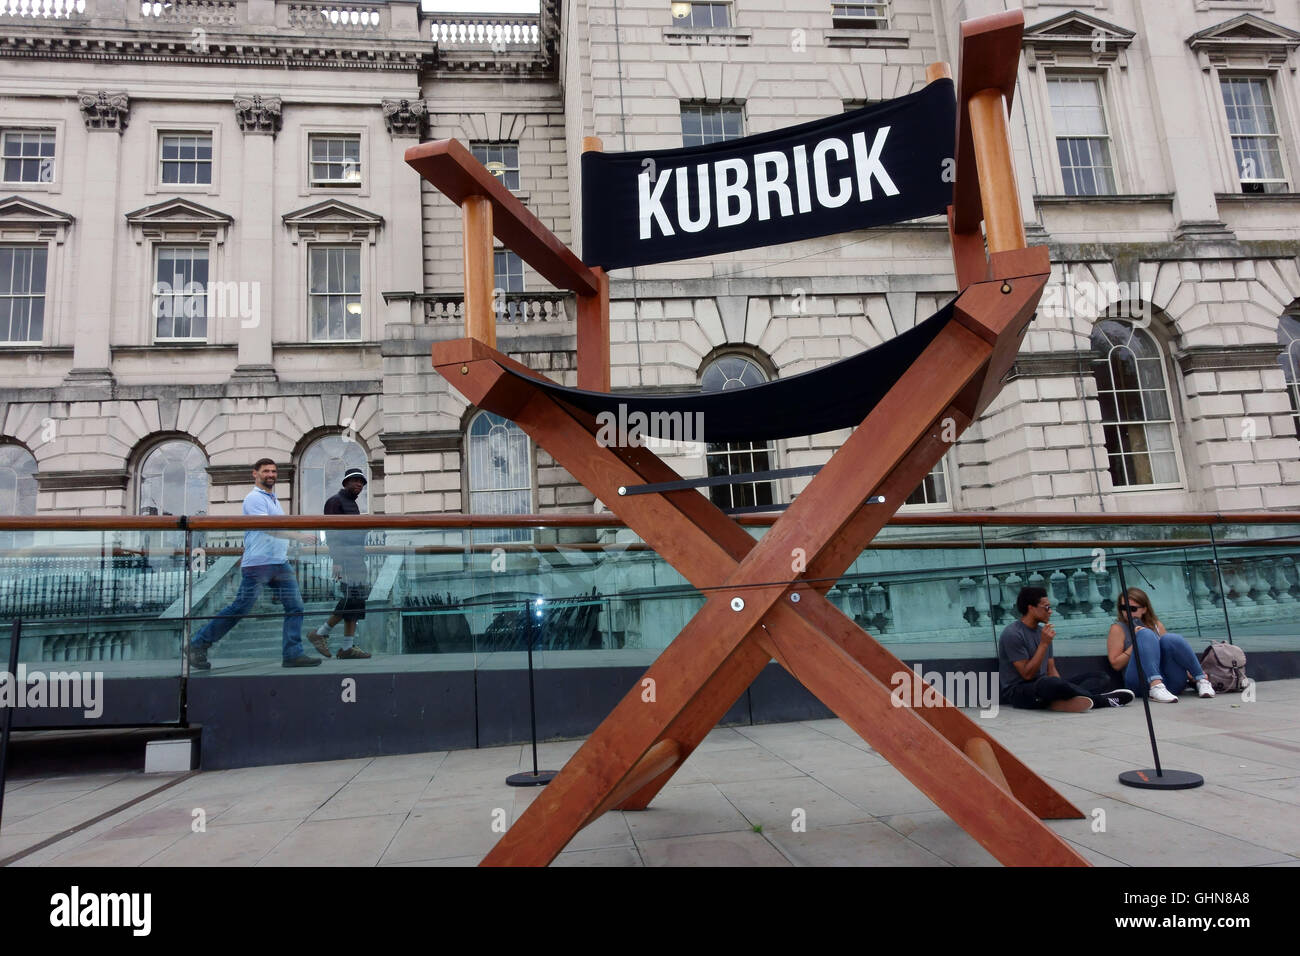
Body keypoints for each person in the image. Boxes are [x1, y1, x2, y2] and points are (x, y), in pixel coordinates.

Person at [187, 459, 322, 669]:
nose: (271, 474)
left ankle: (293, 654)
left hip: (279, 563)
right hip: (259, 564)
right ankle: (197, 644)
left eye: (274, 471)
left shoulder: (273, 499)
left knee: (295, 606)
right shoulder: (254, 499)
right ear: (255, 474)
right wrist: (298, 536)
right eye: (266, 471)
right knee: (240, 607)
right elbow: (267, 528)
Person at [999, 586, 1134, 711]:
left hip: (1046, 686)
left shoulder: (1043, 632)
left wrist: (1062, 688)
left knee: (1101, 677)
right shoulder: (1013, 634)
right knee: (1048, 683)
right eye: (1046, 607)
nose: (1050, 611)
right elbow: (1027, 675)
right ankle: (1102, 700)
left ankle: (1062, 700)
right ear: (1031, 608)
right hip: (1020, 691)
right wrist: (1043, 644)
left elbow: (1051, 669)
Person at [1106, 587, 1215, 702]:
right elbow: (1116, 664)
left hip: (1169, 682)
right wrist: (1136, 642)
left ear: (1144, 609)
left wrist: (1189, 674)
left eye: (1132, 609)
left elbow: (1172, 654)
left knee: (1170, 638)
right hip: (1140, 683)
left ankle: (1202, 680)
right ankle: (1155, 686)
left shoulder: (1156, 625)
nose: (1127, 612)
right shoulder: (1118, 628)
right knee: (1145, 634)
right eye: (1123, 608)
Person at [310, 467, 372, 660]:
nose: (359, 484)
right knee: (349, 600)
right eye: (355, 481)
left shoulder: (352, 504)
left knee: (357, 602)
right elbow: (332, 533)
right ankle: (320, 633)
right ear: (345, 482)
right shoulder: (335, 501)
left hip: (356, 558)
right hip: (345, 559)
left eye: (362, 482)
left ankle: (347, 647)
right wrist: (336, 561)